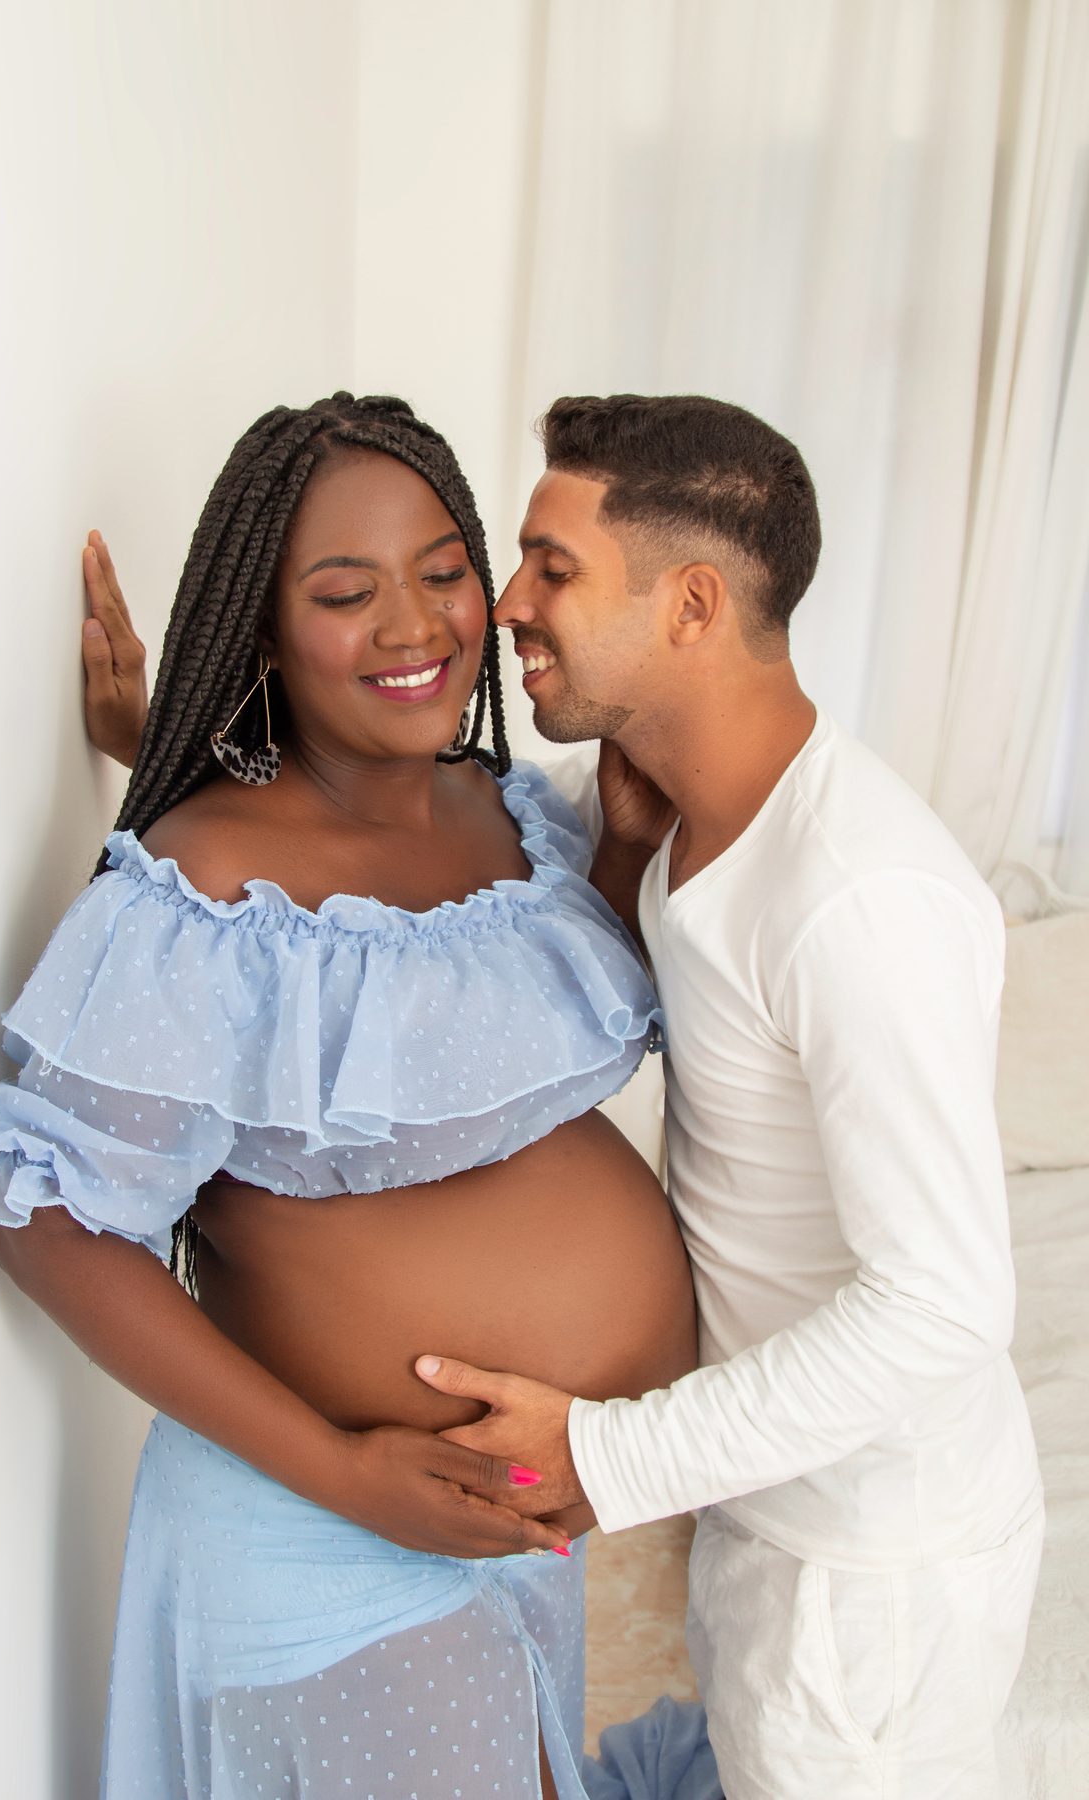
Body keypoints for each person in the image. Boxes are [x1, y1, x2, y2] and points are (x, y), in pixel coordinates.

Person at [0, 394, 708, 1800]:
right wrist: (339, 1469)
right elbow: (49, 1221)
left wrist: (619, 855)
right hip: (329, 1542)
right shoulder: (191, 905)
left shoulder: (508, 814)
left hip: (503, 1533)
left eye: (443, 571)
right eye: (341, 593)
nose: (414, 625)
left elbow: (482, 1012)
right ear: (261, 628)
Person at [406, 394, 1045, 1799]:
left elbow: (943, 1305)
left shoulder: (861, 896)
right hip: (780, 1509)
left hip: (868, 1580)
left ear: (691, 605)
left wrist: (610, 1455)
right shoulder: (679, 806)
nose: (509, 604)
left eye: (551, 567)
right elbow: (436, 821)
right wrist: (171, 719)